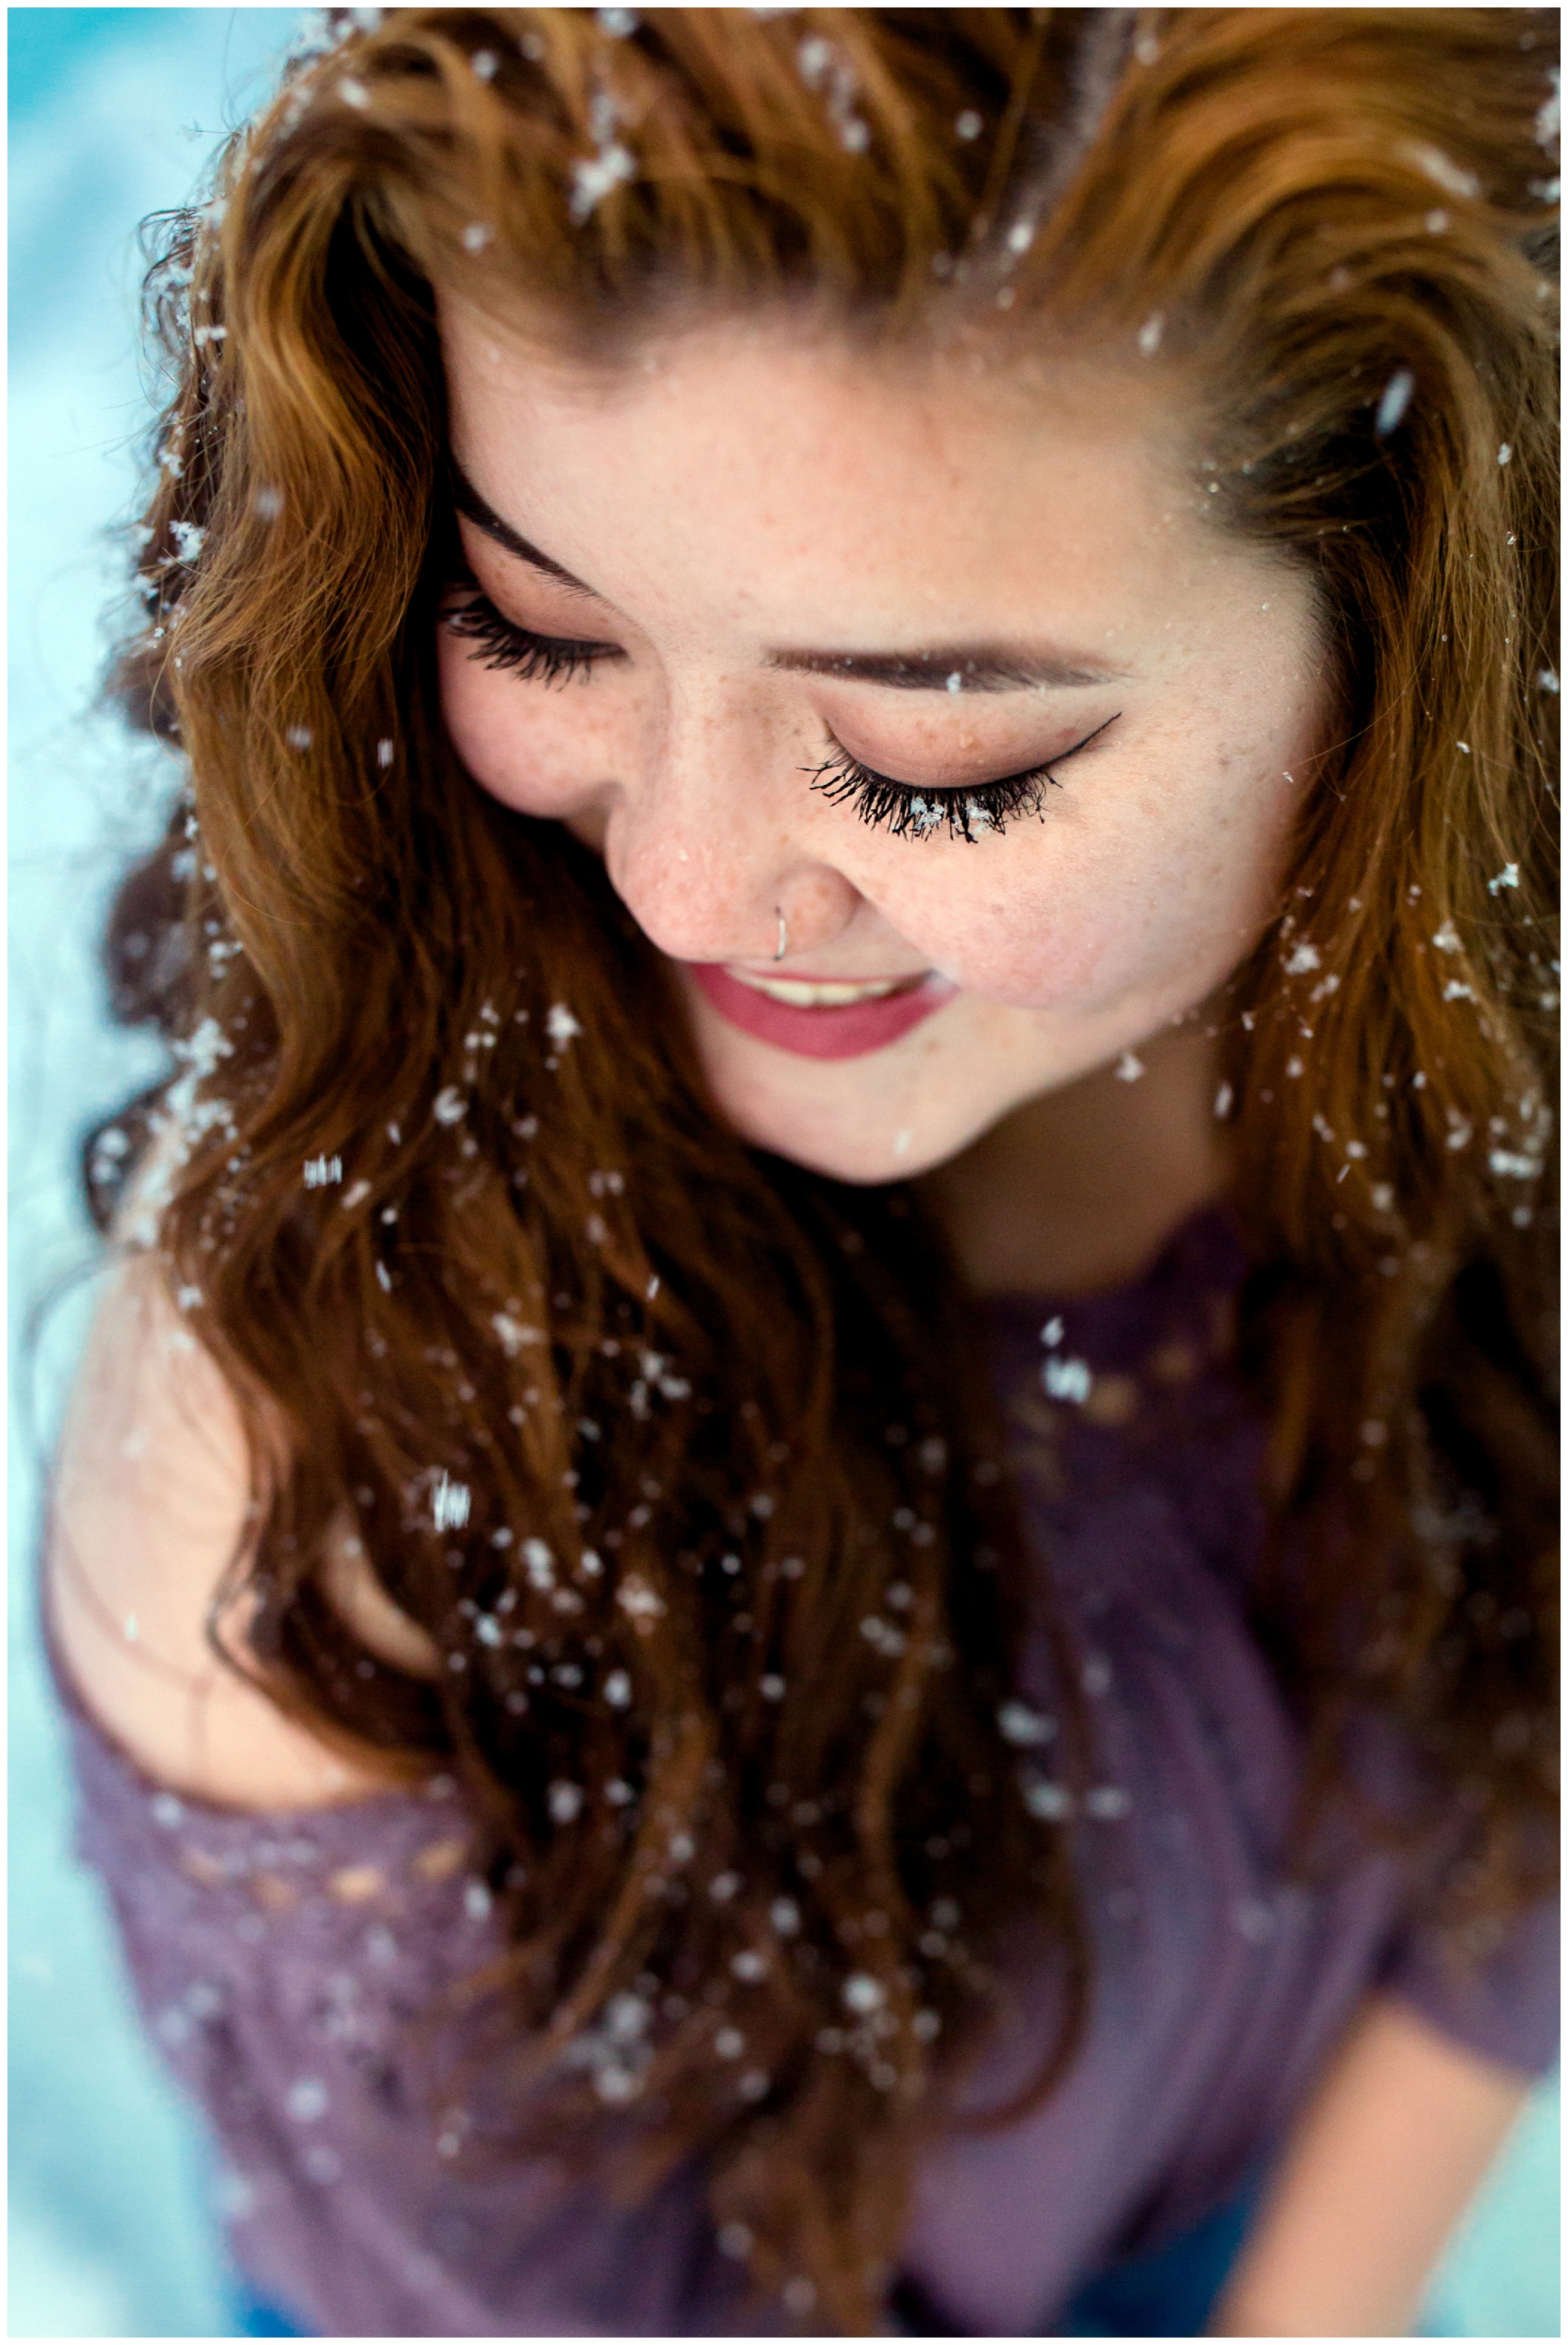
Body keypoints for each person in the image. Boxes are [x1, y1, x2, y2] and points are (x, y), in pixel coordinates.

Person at [43, 8, 1557, 2338]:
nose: (687, 889)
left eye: (932, 756)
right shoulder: (316, 1431)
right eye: (538, 624)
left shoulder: (1500, 995)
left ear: (1415, 642)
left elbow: (1518, 1777)